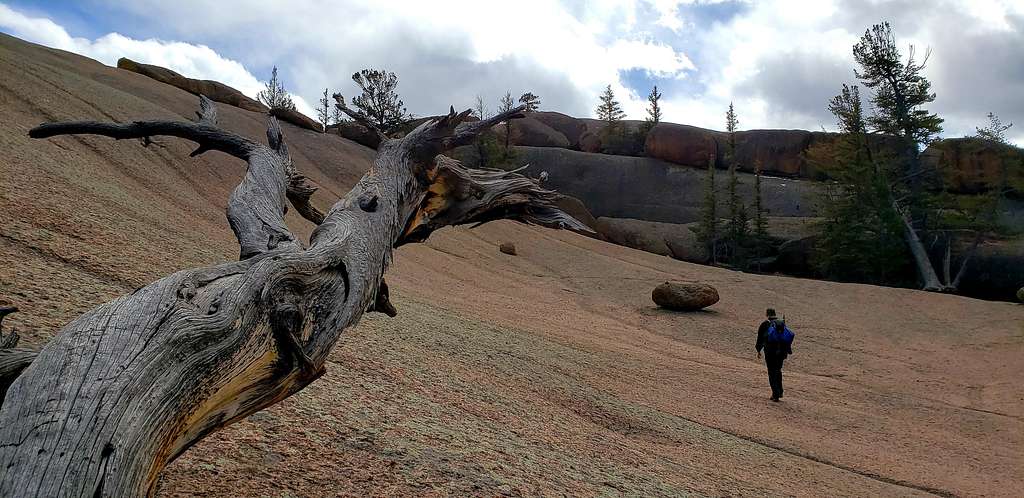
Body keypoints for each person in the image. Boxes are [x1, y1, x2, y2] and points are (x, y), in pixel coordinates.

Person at [756, 308, 793, 401]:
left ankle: (775, 394)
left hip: (770, 352)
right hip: (781, 352)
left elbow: (760, 337)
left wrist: (758, 350)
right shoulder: (781, 323)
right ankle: (780, 391)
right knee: (778, 370)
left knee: (771, 371)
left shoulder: (765, 324)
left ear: (767, 314)